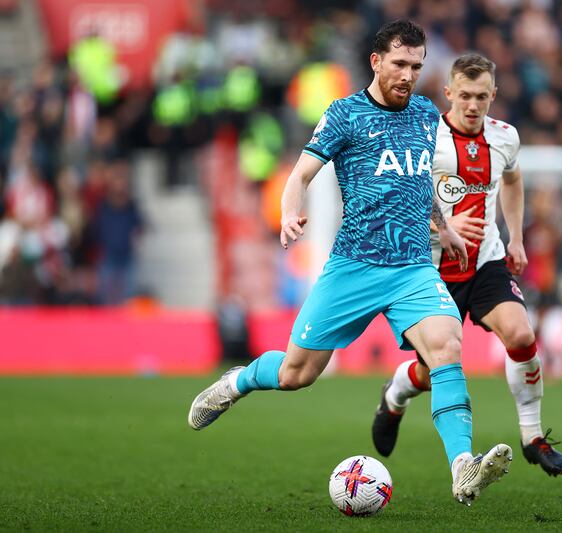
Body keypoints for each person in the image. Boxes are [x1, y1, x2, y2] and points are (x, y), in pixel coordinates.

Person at [188, 20, 512, 506]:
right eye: (400, 64)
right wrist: (289, 209)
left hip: (412, 269)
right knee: (296, 374)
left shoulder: (426, 114)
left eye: (417, 66)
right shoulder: (345, 114)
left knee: (446, 345)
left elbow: (421, 183)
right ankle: (235, 382)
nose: (408, 75)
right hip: (354, 267)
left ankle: (462, 467)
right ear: (376, 62)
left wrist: (442, 227)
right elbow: (300, 173)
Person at [371, 53, 562, 477]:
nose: (473, 105)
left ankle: (532, 436)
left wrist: (515, 237)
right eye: (464, 95)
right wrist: (441, 225)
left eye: (482, 96)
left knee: (520, 333)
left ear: (493, 95)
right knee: (433, 371)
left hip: (486, 262)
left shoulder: (504, 138)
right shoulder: (423, 136)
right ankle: (396, 395)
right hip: (430, 270)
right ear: (448, 93)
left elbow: (513, 180)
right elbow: (395, 196)